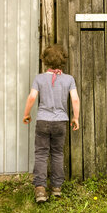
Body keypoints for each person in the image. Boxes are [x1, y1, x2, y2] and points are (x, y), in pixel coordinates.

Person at [23, 44, 80, 203]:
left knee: (41, 154)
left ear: (45, 60)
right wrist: (76, 117)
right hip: (60, 122)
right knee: (57, 153)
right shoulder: (69, 79)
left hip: (43, 121)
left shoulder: (39, 78)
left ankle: (40, 189)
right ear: (63, 60)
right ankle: (56, 188)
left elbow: (32, 97)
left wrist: (26, 114)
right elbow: (75, 99)